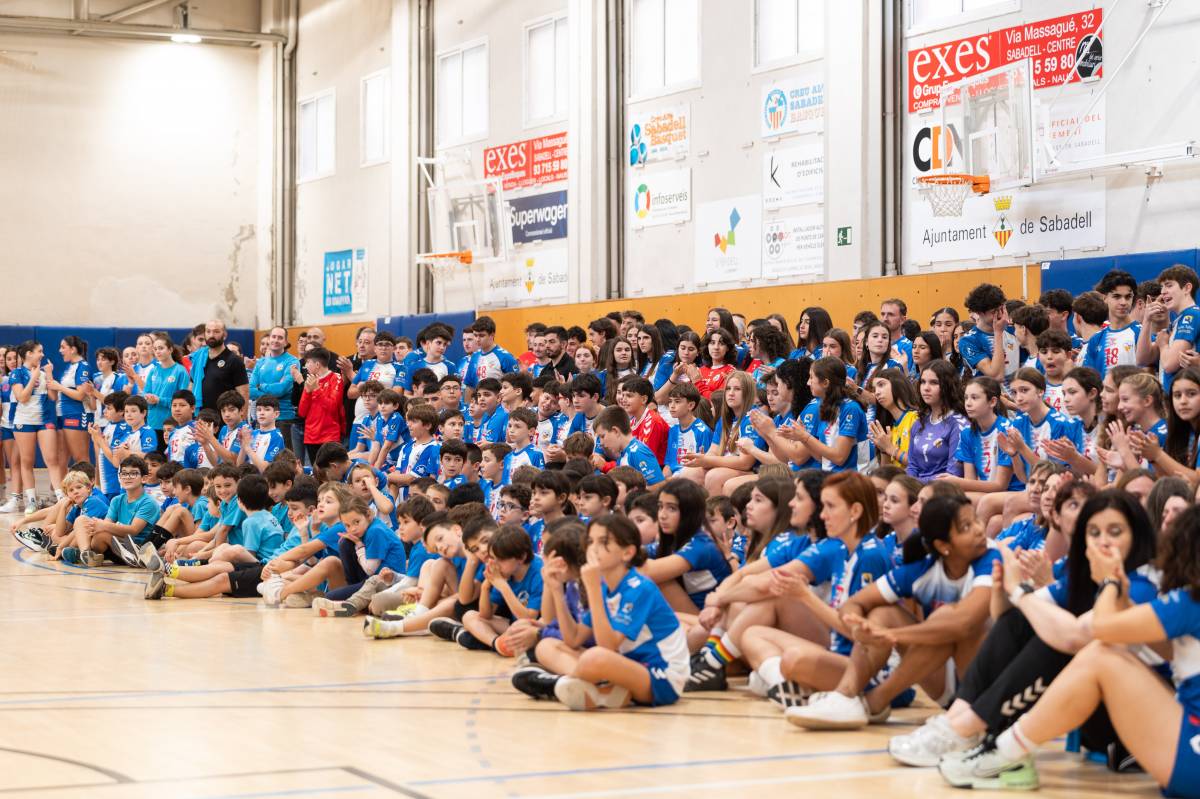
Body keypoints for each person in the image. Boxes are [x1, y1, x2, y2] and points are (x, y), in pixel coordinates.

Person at [935, 499, 1193, 795]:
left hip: (1153, 733)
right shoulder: (1089, 574)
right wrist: (1005, 588)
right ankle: (963, 723)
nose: (1103, 541)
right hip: (1143, 725)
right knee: (1030, 623)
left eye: (1115, 531)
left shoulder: (1149, 586)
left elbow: (1084, 633)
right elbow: (1013, 618)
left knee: (1082, 647)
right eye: (1094, 532)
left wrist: (1022, 590)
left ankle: (988, 740)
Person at [787, 493, 998, 730]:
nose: (979, 530)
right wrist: (860, 627)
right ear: (943, 546)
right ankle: (845, 697)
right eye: (967, 527)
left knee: (949, 619)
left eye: (976, 520)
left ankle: (875, 700)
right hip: (945, 680)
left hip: (993, 683)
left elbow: (964, 622)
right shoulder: (924, 569)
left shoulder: (992, 556)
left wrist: (892, 636)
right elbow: (854, 604)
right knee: (882, 614)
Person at [509, 514, 690, 710]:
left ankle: (560, 684)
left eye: (603, 542)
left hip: (662, 677)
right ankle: (597, 688)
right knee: (547, 645)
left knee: (595, 657)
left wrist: (594, 589)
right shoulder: (604, 585)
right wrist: (556, 590)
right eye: (590, 541)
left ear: (627, 553)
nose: (593, 549)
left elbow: (607, 647)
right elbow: (573, 639)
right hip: (628, 664)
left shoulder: (639, 587)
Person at [249, 326, 302, 446]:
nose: (276, 340)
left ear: (285, 342)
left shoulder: (292, 362)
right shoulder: (261, 362)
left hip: (283, 419)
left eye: (280, 338)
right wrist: (273, 387)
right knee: (260, 455)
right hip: (261, 418)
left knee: (283, 457)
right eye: (273, 337)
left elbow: (281, 389)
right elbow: (251, 391)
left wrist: (260, 386)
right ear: (269, 339)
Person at [297, 347, 346, 463]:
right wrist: (307, 392)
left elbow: (332, 407)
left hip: (329, 437)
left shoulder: (336, 378)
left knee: (330, 471)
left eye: (308, 362)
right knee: (316, 471)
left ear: (317, 364)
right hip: (311, 437)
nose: (305, 366)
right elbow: (302, 412)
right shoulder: (310, 381)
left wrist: (317, 389)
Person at [188, 320, 249, 411]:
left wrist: (242, 416)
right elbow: (191, 386)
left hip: (225, 416)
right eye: (208, 331)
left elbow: (243, 394)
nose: (211, 335)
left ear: (224, 335)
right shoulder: (199, 358)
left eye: (216, 331)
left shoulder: (234, 361)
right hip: (201, 415)